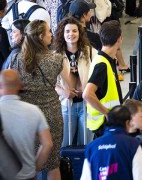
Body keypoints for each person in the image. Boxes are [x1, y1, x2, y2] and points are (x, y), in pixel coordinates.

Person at [9, 20, 73, 180]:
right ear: (41, 37)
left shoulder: (16, 59)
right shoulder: (56, 59)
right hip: (51, 115)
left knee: (27, 162)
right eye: (49, 32)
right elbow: (70, 83)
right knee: (52, 164)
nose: (52, 34)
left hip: (25, 117)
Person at [0, 69, 53, 180]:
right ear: (20, 86)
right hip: (27, 175)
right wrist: (35, 168)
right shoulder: (34, 111)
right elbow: (47, 144)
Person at [53, 17, 93, 147]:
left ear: (79, 33)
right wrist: (63, 92)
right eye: (67, 31)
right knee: (65, 144)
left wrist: (88, 89)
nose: (71, 34)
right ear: (62, 34)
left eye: (74, 31)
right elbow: (50, 82)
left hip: (86, 105)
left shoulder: (90, 51)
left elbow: (97, 75)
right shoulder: (55, 55)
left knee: (86, 144)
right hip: (66, 105)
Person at [80, 105, 142, 180]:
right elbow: (141, 177)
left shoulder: (91, 147)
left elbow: (85, 177)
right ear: (127, 122)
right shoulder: (133, 144)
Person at [83, 20, 124, 138]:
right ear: (119, 39)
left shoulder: (105, 59)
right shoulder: (102, 64)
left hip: (108, 125)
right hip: (104, 126)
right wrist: (107, 112)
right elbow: (87, 94)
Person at [0, 0, 10, 69]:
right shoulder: (1, 32)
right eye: (6, 7)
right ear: (0, 12)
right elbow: (7, 56)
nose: (7, 9)